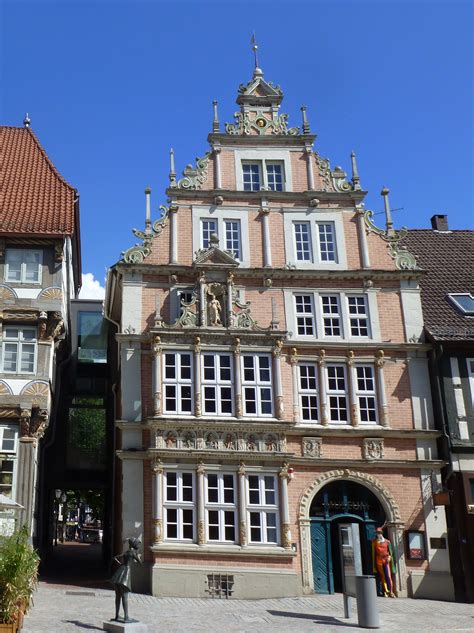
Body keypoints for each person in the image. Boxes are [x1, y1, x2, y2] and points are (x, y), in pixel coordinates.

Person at [110, 537, 142, 622]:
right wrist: (138, 557)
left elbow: (115, 558)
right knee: (124, 596)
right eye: (138, 544)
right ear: (134, 545)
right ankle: (126, 617)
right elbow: (140, 563)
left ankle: (117, 615)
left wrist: (120, 563)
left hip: (119, 573)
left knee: (117, 596)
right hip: (125, 573)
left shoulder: (126, 552)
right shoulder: (133, 553)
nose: (139, 545)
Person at [372, 527, 397, 597]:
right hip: (379, 560)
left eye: (379, 533)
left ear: (382, 533)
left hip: (386, 560)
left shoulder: (387, 542)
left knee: (388, 576)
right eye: (377, 533)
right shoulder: (374, 542)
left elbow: (390, 552)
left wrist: (390, 557)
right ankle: (386, 591)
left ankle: (391, 591)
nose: (378, 535)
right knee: (382, 576)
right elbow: (373, 553)